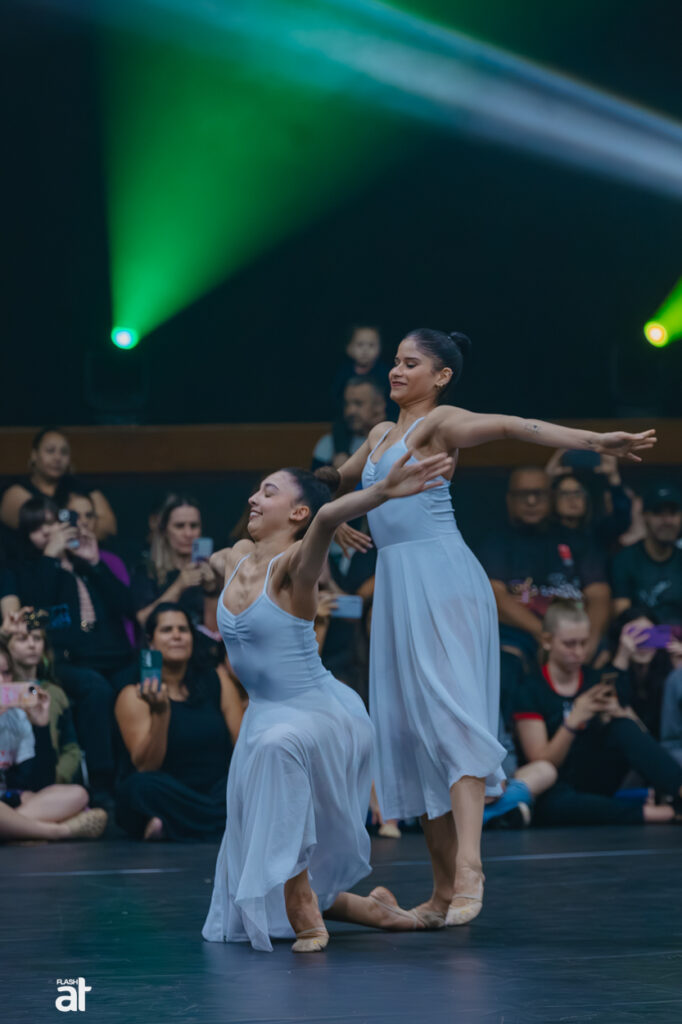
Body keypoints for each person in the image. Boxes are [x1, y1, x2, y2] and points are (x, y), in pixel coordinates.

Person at [330, 326, 657, 928]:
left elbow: (513, 426)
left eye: (410, 363)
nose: (396, 371)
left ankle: (471, 869)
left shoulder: (440, 422)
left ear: (441, 377)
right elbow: (338, 479)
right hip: (399, 589)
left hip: (443, 581)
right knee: (412, 735)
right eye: (395, 362)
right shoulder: (379, 435)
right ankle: (439, 891)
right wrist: (322, 513)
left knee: (452, 721)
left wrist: (593, 441)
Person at [203, 454, 451, 953]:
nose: (254, 498)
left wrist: (383, 491)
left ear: (298, 513)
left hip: (317, 713)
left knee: (277, 746)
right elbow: (216, 562)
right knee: (254, 898)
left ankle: (304, 907)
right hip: (263, 718)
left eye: (269, 492)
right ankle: (374, 911)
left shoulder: (296, 566)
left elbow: (327, 518)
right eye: (257, 489)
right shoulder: (235, 558)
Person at [4, 495, 136, 801]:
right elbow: (36, 616)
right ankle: (101, 784)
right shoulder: (24, 570)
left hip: (113, 657)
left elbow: (127, 607)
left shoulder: (87, 564)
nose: (48, 531)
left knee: (136, 683)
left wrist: (95, 562)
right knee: (96, 688)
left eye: (53, 523)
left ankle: (134, 780)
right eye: (38, 528)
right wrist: (51, 559)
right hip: (66, 660)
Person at [512, 601, 682, 825]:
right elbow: (542, 762)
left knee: (622, 726)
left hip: (594, 774)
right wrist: (573, 720)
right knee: (556, 804)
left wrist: (617, 713)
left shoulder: (596, 680)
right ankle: (666, 813)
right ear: (547, 641)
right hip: (556, 786)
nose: (579, 652)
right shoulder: (530, 690)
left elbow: (637, 738)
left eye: (583, 643)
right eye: (569, 644)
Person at [115, 604, 244, 841]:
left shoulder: (217, 680)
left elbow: (243, 745)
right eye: (167, 630)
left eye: (183, 630)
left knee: (248, 783)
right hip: (169, 791)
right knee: (137, 788)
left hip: (217, 789)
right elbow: (147, 766)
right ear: (150, 641)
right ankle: (220, 823)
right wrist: (161, 712)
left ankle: (173, 825)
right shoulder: (133, 694)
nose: (177, 636)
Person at [479, 467, 611, 666]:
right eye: (523, 494)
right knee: (508, 657)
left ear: (551, 497)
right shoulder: (497, 542)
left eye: (538, 494)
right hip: (521, 633)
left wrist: (588, 639)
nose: (531, 501)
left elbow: (599, 594)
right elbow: (495, 596)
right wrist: (545, 635)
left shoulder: (577, 538)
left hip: (574, 631)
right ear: (509, 500)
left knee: (603, 655)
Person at [0, 643, 106, 843]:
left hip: (10, 803)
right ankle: (56, 830)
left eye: (6, 673)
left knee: (78, 794)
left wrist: (41, 726)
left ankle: (14, 829)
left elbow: (41, 784)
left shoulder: (16, 717)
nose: (1, 681)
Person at [0, 427, 117, 543]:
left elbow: (108, 527)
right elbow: (36, 530)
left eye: (64, 452)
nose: (58, 458)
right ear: (34, 455)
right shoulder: (16, 490)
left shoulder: (81, 486)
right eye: (50, 451)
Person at [131, 493, 219, 635]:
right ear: (165, 530)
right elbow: (142, 621)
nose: (188, 533)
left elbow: (215, 632)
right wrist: (179, 586)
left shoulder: (213, 569)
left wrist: (211, 590)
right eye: (179, 526)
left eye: (194, 526)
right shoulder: (147, 570)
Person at [6, 623, 81, 784]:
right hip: (10, 778)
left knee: (79, 794)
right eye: (22, 639)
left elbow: (71, 748)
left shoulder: (54, 693)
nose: (32, 644)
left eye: (37, 638)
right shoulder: (5, 691)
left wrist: (56, 776)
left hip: (48, 776)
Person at [611, 483, 682, 624]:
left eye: (673, 513)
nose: (667, 521)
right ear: (645, 516)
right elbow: (622, 612)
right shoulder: (624, 560)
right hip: (640, 634)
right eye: (659, 513)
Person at [545, 450, 632, 550]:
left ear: (586, 497)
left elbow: (622, 517)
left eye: (577, 493)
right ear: (555, 498)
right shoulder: (545, 533)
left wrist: (613, 476)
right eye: (564, 493)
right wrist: (547, 478)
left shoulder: (600, 534)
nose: (572, 499)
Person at [312, 378, 387, 471]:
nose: (350, 411)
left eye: (358, 403)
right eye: (347, 404)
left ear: (379, 405)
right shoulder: (328, 444)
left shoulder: (394, 441)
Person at [331, 325, 391, 411]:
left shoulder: (385, 373)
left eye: (371, 345)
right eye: (360, 345)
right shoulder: (344, 373)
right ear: (349, 348)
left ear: (380, 349)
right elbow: (336, 397)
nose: (365, 350)